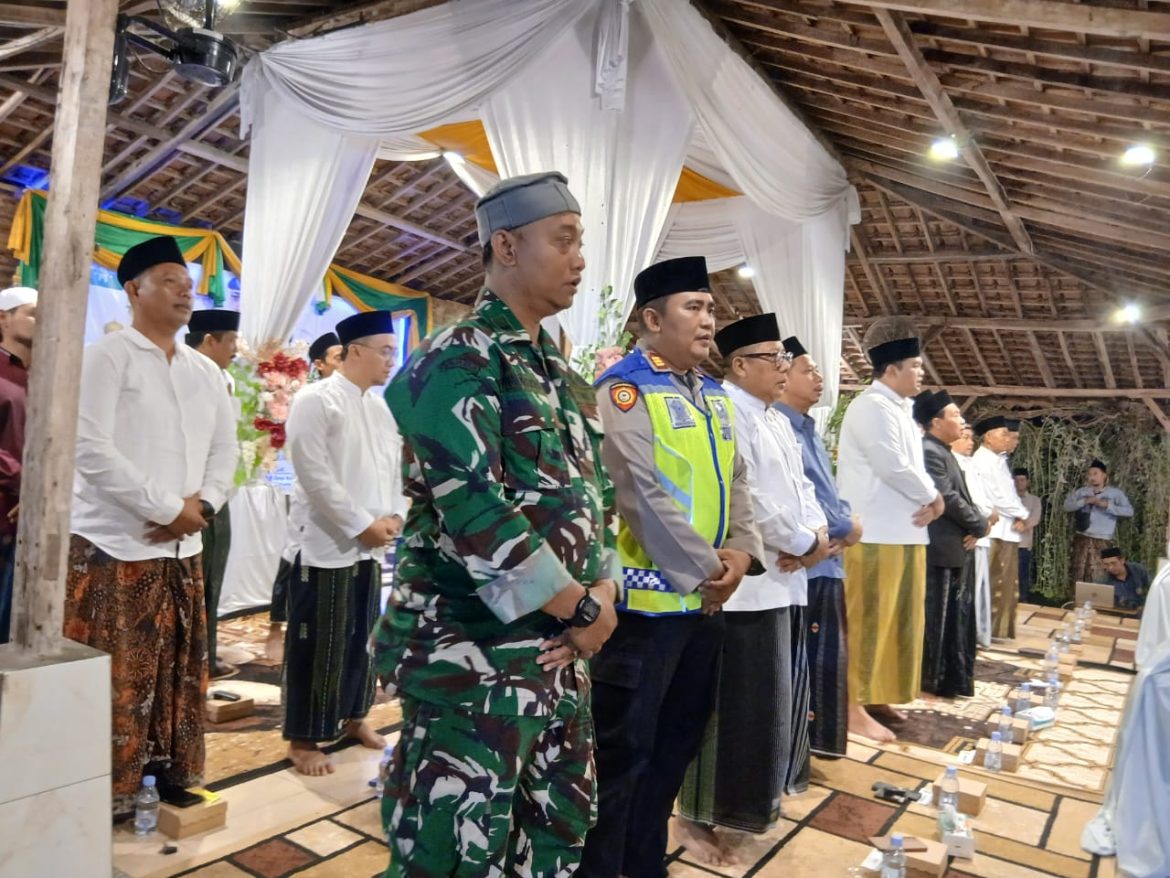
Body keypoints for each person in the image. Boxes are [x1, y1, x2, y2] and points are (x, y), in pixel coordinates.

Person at [374, 172, 618, 877]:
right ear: (506, 246)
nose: (579, 259)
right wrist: (583, 606)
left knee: (552, 837)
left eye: (581, 243)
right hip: (471, 666)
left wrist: (602, 597)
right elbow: (475, 509)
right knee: (454, 853)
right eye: (563, 241)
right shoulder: (457, 357)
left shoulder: (559, 376)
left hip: (555, 660)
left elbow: (594, 495)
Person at [582, 255, 764, 878]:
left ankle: (645, 865)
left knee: (676, 747)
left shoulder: (712, 395)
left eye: (711, 307)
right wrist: (706, 571)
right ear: (652, 319)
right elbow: (637, 490)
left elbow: (737, 482)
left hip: (704, 609)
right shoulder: (625, 389)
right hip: (646, 611)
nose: (709, 319)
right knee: (623, 756)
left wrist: (741, 552)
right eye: (695, 307)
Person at [63, 236, 238, 815]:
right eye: (169, 278)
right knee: (118, 672)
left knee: (177, 668)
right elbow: (89, 449)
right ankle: (101, 788)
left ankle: (167, 772)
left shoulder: (205, 372)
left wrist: (203, 508)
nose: (185, 289)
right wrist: (166, 507)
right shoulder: (105, 357)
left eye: (188, 281)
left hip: (182, 544)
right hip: (115, 544)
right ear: (133, 289)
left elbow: (224, 451)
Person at [673, 315, 827, 865]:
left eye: (787, 359)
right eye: (775, 359)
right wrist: (805, 539)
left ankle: (744, 806)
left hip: (787, 580)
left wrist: (815, 538)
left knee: (765, 706)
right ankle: (694, 817)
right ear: (740, 364)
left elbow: (803, 491)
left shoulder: (779, 421)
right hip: (747, 586)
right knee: (725, 706)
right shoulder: (724, 409)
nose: (785, 369)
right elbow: (752, 501)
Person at [282, 310, 408, 776]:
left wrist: (396, 514)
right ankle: (303, 737)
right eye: (385, 351)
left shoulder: (379, 405)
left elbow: (395, 470)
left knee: (361, 639)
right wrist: (360, 523)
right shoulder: (315, 400)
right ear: (355, 351)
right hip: (325, 544)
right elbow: (314, 474)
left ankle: (354, 718)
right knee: (318, 642)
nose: (391, 360)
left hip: (371, 544)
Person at [835, 316, 943, 742]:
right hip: (874, 533)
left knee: (897, 622)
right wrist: (934, 498)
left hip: (903, 533)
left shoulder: (900, 409)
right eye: (915, 365)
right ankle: (852, 706)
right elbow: (893, 466)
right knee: (866, 622)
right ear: (891, 369)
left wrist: (929, 499)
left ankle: (877, 694)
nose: (921, 372)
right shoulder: (870, 406)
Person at [776, 335, 862, 759]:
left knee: (825, 662)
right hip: (807, 564)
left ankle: (815, 750)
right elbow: (801, 500)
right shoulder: (780, 427)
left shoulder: (807, 428)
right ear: (781, 375)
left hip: (827, 561)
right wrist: (849, 525)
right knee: (807, 663)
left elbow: (829, 491)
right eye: (807, 370)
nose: (819, 377)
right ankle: (799, 753)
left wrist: (848, 522)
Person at [266, 329, 342, 662]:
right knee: (293, 558)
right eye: (339, 357)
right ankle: (276, 628)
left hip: (343, 500)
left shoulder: (357, 400)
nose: (344, 363)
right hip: (311, 497)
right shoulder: (309, 398)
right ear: (320, 364)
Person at [914, 391, 988, 698]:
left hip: (955, 546)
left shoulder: (942, 450)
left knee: (954, 620)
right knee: (937, 621)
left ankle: (949, 680)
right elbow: (948, 498)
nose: (962, 420)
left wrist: (976, 526)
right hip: (940, 548)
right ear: (935, 422)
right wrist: (980, 524)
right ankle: (931, 683)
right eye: (955, 415)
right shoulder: (930, 451)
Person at [185, 307, 240, 678]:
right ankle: (192, 657)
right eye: (231, 340)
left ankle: (207, 653)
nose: (236, 348)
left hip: (216, 494)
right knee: (194, 581)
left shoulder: (225, 379)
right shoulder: (185, 373)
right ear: (209, 340)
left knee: (213, 578)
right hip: (191, 495)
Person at [970, 416, 1029, 639]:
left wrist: (1020, 516)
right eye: (1003, 434)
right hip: (994, 530)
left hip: (1007, 529)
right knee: (993, 582)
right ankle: (986, 630)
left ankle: (998, 630)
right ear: (988, 437)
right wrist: (1022, 514)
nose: (1008, 439)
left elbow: (1008, 494)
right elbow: (998, 497)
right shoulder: (983, 461)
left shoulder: (997, 460)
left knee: (1005, 583)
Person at [0, 285, 35, 644]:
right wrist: (29, 483)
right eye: (32, 313)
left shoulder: (48, 374)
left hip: (36, 518)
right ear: (3, 319)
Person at [951, 425, 997, 648]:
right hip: (969, 534)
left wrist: (989, 518)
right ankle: (967, 636)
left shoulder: (970, 464)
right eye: (965, 437)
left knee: (978, 587)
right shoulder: (953, 463)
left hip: (981, 531)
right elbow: (966, 503)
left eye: (972, 438)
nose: (971, 442)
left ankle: (977, 634)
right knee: (967, 590)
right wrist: (982, 523)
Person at [1065, 460, 1134, 584]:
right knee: (1078, 573)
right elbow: (1066, 506)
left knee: (1100, 574)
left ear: (1104, 475)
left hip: (1102, 539)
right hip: (1082, 538)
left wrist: (1106, 505)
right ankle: (1077, 600)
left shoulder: (1114, 493)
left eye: (1095, 473)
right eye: (1090, 474)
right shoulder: (1082, 492)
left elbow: (1129, 511)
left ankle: (1099, 601)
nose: (1092, 477)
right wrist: (1084, 502)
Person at [1013, 468, 1043, 604]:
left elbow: (1035, 518)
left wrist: (1023, 525)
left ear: (1027, 481)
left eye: (1022, 480)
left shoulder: (1034, 500)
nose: (1019, 483)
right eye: (1016, 480)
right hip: (1006, 542)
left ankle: (1023, 601)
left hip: (1023, 544)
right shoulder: (1006, 498)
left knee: (1022, 575)